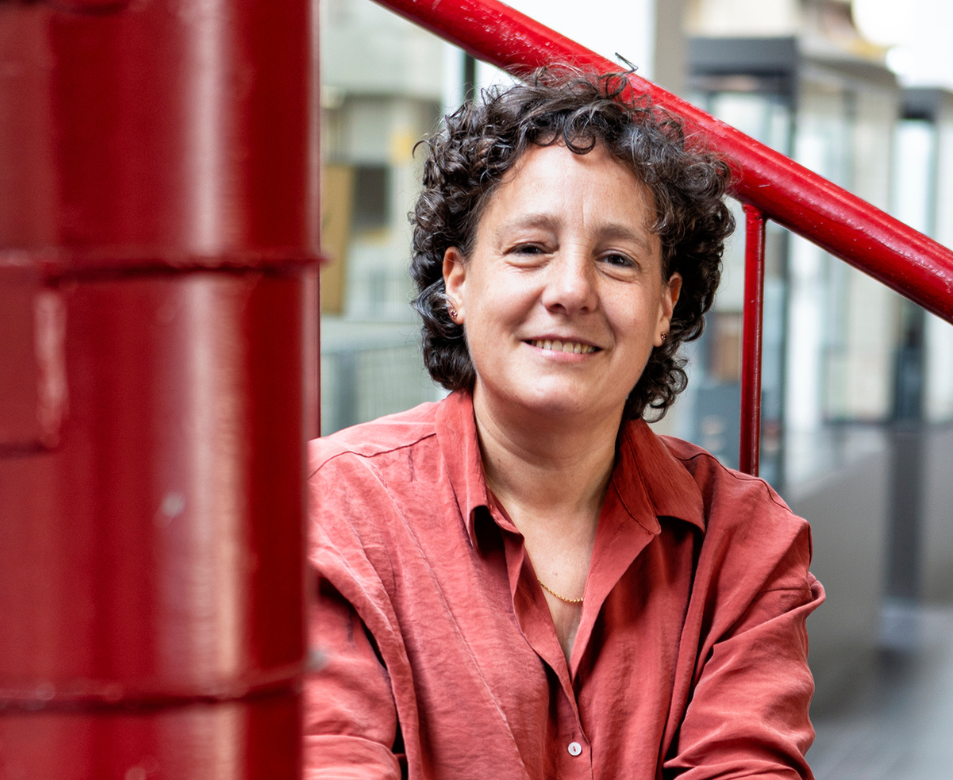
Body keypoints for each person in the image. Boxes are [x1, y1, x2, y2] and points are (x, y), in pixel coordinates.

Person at [304, 68, 824, 780]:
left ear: (665, 306)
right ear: (458, 281)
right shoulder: (335, 506)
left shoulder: (745, 539)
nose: (572, 290)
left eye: (616, 259)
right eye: (529, 249)